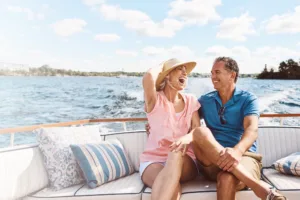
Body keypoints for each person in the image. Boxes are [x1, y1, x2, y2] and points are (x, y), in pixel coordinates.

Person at [169, 57, 287, 200]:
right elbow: (183, 118)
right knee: (200, 131)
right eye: (211, 73)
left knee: (226, 178)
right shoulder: (205, 100)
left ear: (232, 75)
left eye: (217, 72)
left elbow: (252, 129)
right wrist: (156, 124)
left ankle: (249, 179)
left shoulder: (248, 99)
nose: (212, 77)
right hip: (210, 162)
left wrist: (237, 151)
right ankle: (258, 187)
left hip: (244, 157)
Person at [140, 58, 202, 200]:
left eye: (186, 71)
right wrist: (164, 66)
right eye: (180, 69)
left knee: (176, 153)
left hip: (185, 159)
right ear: (167, 75)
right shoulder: (155, 100)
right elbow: (149, 77)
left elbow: (196, 129)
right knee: (171, 188)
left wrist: (186, 138)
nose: (185, 73)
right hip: (153, 160)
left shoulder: (191, 101)